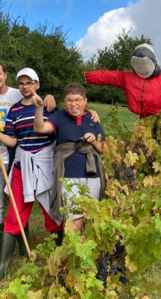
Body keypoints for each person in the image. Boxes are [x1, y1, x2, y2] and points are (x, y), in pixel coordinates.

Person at [0, 68, 63, 284]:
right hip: (22, 164)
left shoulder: (50, 107)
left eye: (29, 82)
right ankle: (2, 266)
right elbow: (12, 141)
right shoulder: (15, 110)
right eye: (21, 83)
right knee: (14, 214)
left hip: (45, 163)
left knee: (52, 213)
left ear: (37, 84)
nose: (25, 86)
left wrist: (91, 114)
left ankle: (62, 259)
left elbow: (63, 124)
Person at [0, 60, 55, 254]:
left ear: (5, 74)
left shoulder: (18, 92)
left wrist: (49, 97)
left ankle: (24, 248)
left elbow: (40, 99)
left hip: (17, 157)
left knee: (19, 202)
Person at [33, 83, 106, 232]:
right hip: (68, 175)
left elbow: (106, 150)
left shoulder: (93, 119)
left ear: (85, 101)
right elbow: (40, 128)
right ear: (64, 101)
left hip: (93, 174)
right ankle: (73, 253)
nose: (73, 104)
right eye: (69, 100)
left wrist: (95, 141)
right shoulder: (59, 116)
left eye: (77, 100)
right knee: (74, 219)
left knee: (92, 217)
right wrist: (39, 108)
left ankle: (92, 254)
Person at [85, 44, 161, 118]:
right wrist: (89, 77)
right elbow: (107, 76)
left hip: (153, 112)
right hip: (135, 109)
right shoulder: (128, 77)